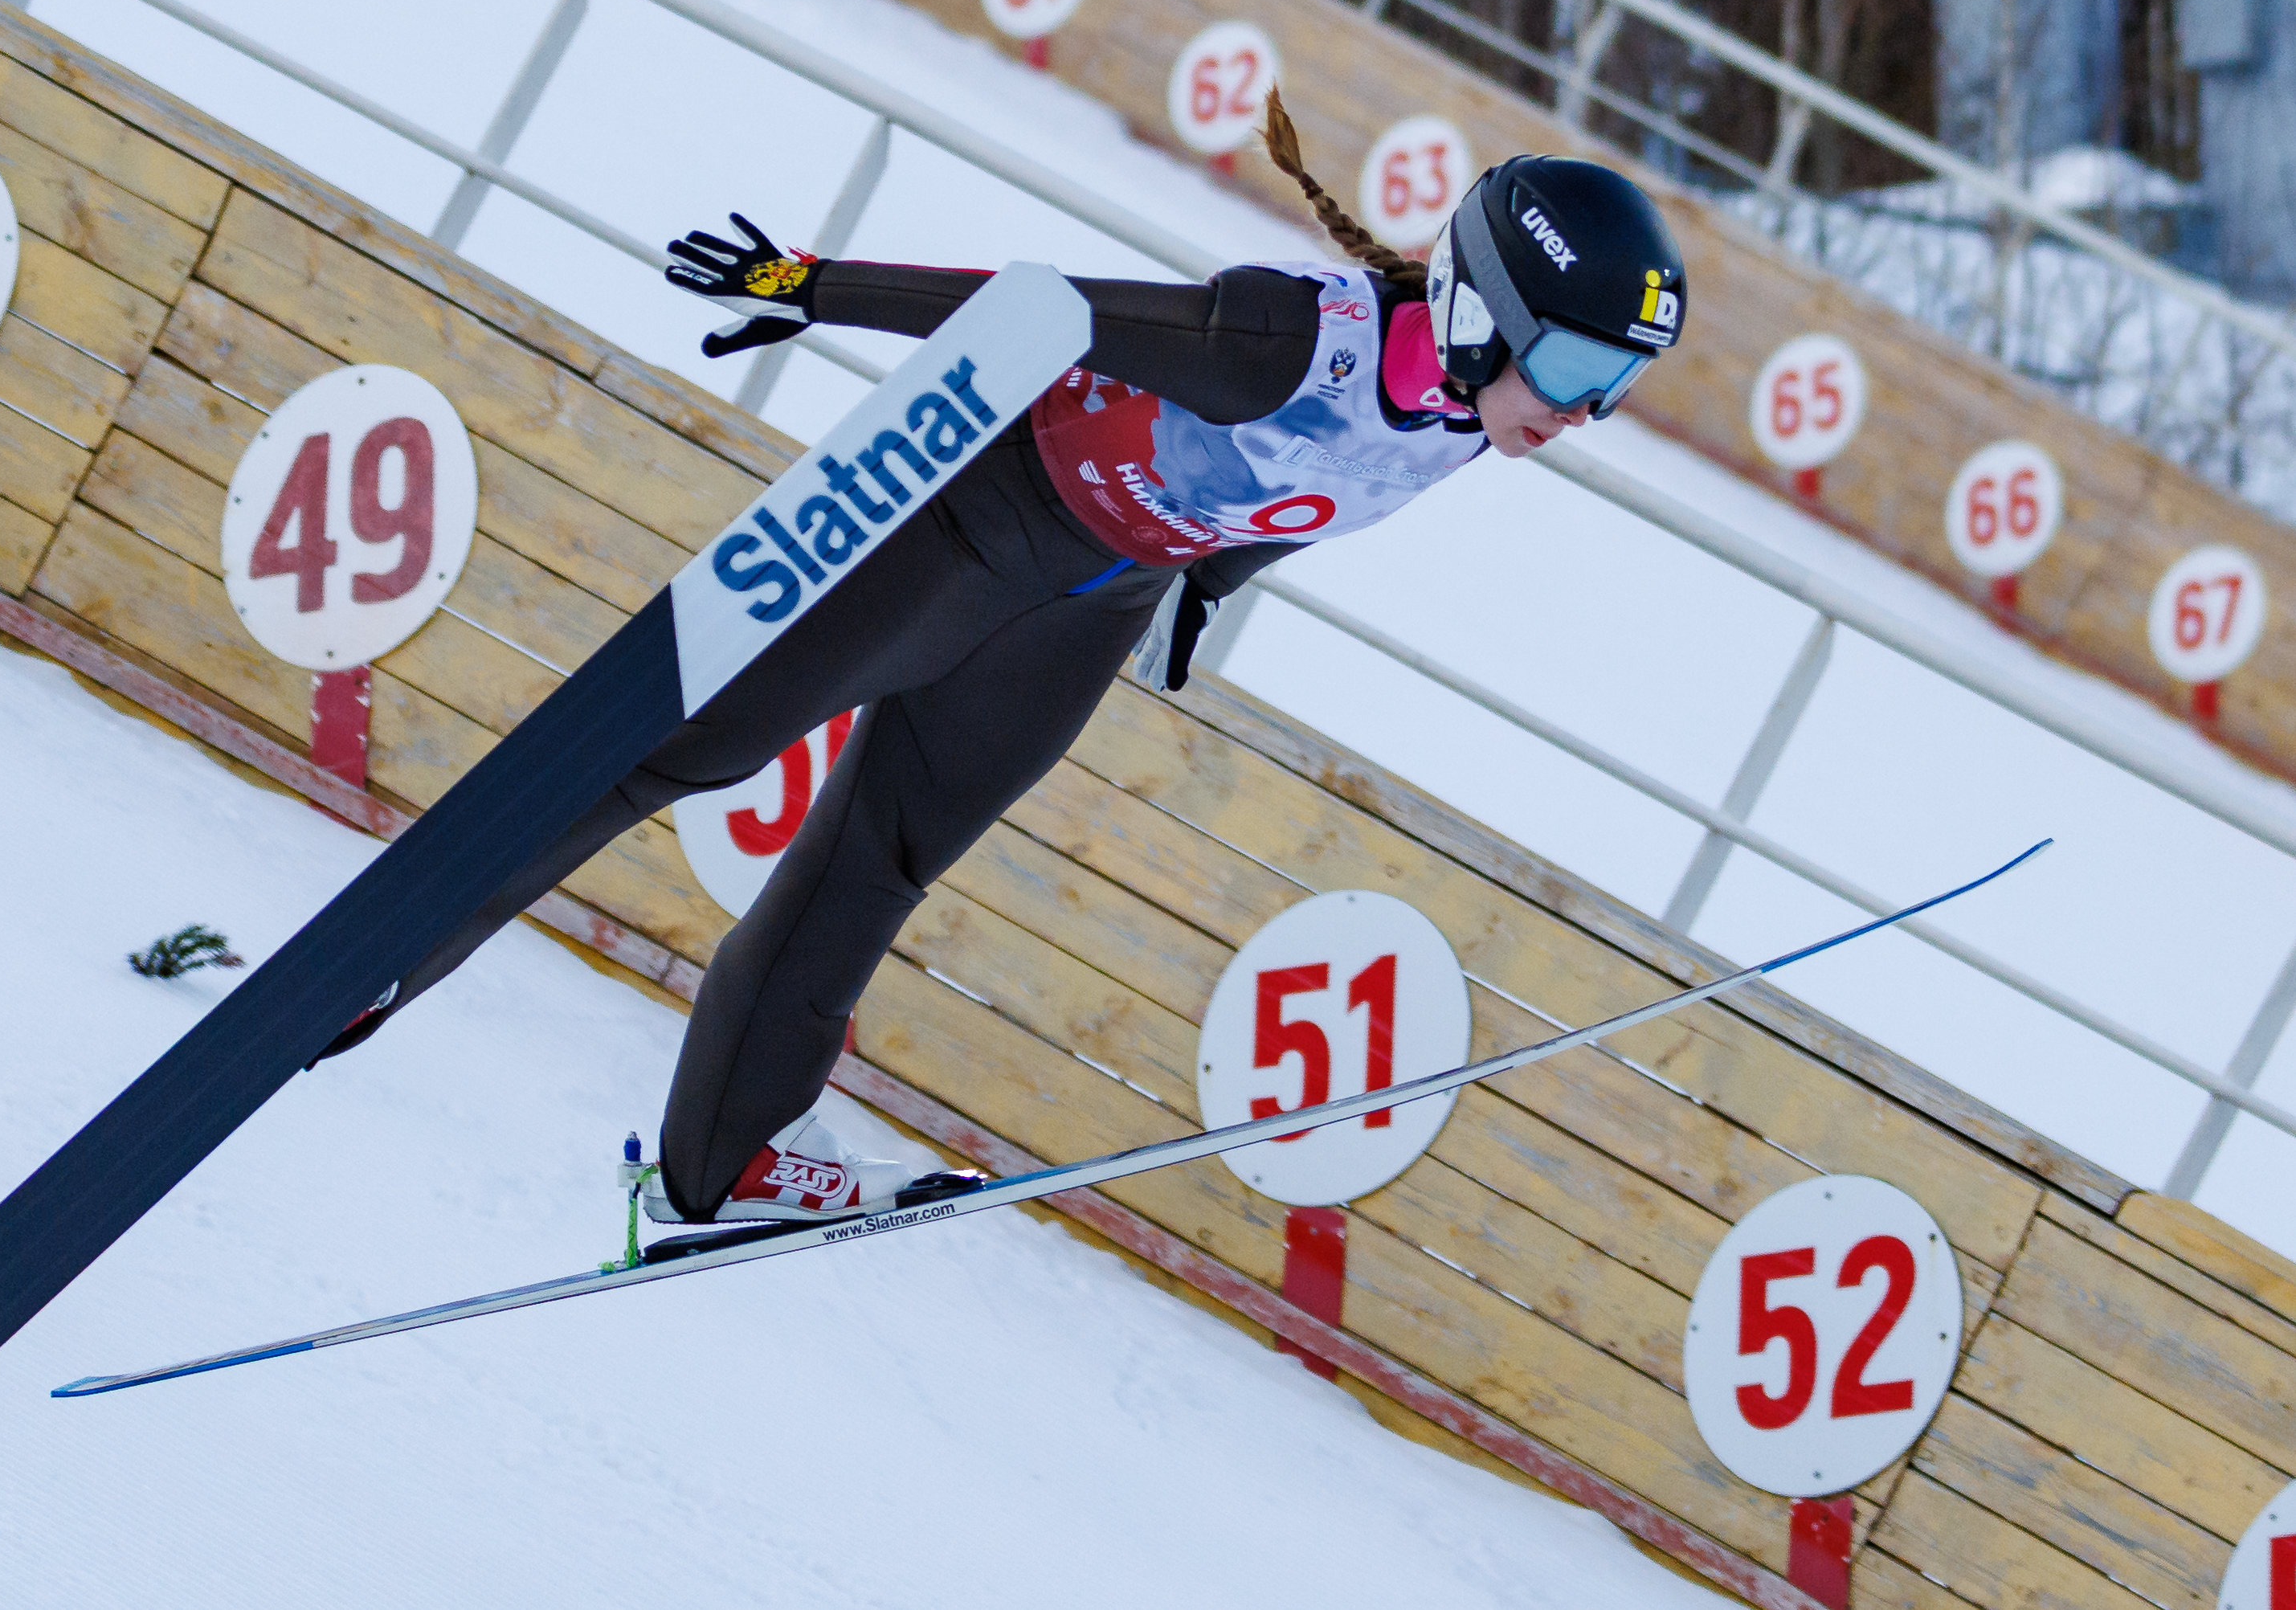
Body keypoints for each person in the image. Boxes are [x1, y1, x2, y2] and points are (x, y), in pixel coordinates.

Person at [315, 91, 1689, 1228]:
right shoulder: (1295, 341)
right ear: (1481, 310)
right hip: (974, 521)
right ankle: (387, 952)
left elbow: (1309, 495)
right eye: (1574, 371)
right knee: (693, 742)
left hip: (1090, 599)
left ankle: (716, 1165)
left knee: (879, 860)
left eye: (1610, 391)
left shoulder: (1462, 422)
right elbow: (1044, 314)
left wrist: (1206, 586)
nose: (1581, 414)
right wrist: (817, 290)